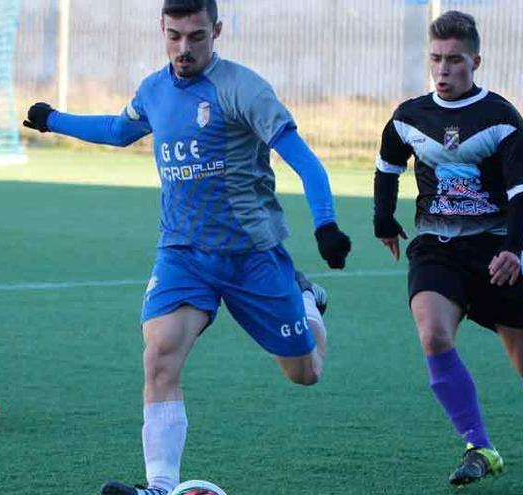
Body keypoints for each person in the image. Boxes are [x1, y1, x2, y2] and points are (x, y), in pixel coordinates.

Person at [23, 0, 351, 492]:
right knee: (159, 357)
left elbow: (306, 163)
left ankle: (306, 301)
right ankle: (159, 485)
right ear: (161, 28)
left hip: (251, 256)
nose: (183, 48)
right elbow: (118, 130)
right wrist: (54, 119)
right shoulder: (155, 89)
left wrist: (326, 226)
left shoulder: (245, 89)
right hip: (183, 254)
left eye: (196, 36)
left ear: (217, 30)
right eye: (174, 35)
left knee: (305, 373)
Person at [373, 10, 523, 486]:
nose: (442, 69)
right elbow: (387, 166)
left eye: (454, 60)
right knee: (433, 334)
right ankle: (480, 446)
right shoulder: (409, 116)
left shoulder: (501, 118)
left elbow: (522, 194)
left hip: (498, 252)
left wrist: (514, 250)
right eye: (435, 59)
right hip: (437, 249)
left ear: (475, 61)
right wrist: (384, 219)